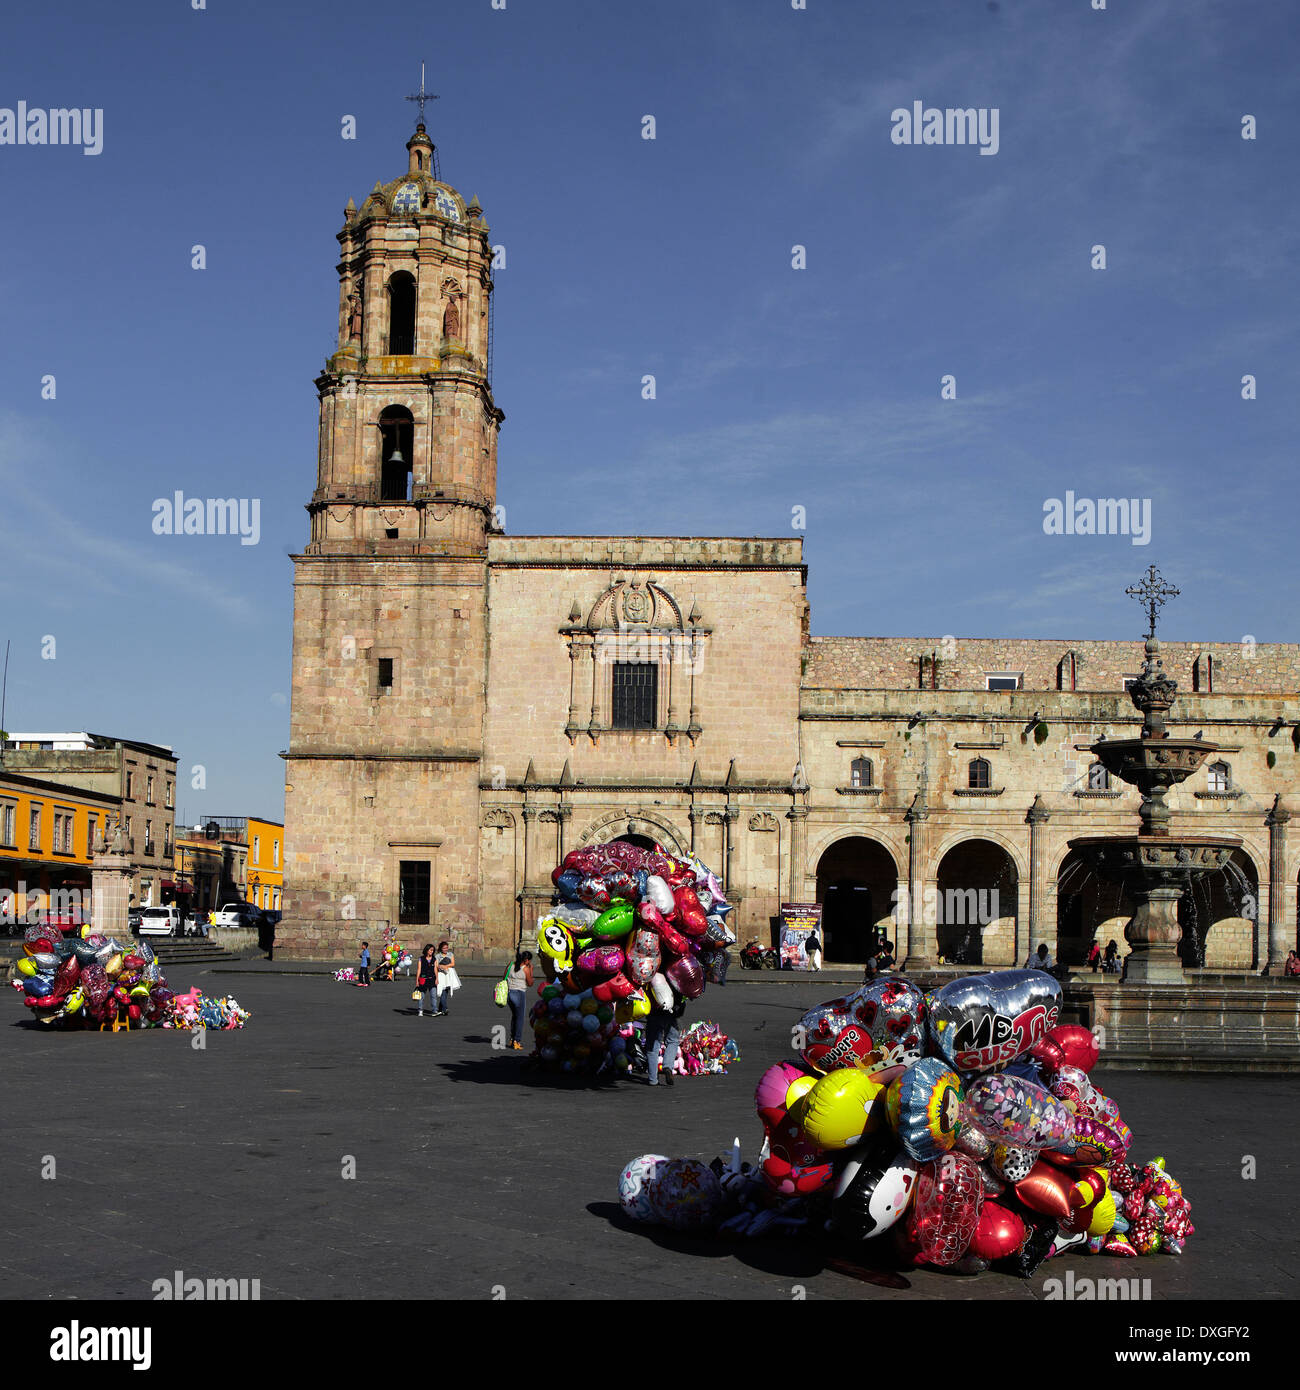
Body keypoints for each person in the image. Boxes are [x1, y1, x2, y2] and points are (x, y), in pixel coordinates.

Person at [644, 990, 687, 1087]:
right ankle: (668, 1066)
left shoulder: (652, 976)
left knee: (652, 1046)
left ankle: (653, 1079)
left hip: (654, 1011)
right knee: (673, 1041)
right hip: (671, 1012)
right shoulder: (674, 976)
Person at [505, 950, 534, 1050]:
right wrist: (531, 970)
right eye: (529, 961)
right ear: (526, 960)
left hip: (509, 993)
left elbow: (504, 977)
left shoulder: (510, 965)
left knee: (514, 1016)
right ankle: (517, 1041)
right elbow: (530, 983)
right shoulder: (525, 969)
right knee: (520, 1018)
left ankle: (512, 1039)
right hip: (519, 993)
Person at [434, 939, 457, 1016]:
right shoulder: (437, 956)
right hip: (441, 974)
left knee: (445, 992)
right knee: (442, 991)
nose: (445, 949)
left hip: (449, 974)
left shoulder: (450, 954)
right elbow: (437, 965)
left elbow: (453, 964)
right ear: (441, 948)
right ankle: (445, 1008)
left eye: (446, 948)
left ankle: (440, 1009)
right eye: (444, 948)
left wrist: (445, 966)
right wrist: (441, 967)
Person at [415, 944, 437, 1016]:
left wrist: (437, 978)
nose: (432, 951)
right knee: (422, 996)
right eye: (430, 950)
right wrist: (417, 980)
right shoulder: (421, 959)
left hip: (432, 979)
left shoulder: (434, 959)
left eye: (433, 950)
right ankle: (420, 1010)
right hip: (423, 979)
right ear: (427, 950)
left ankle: (434, 1010)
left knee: (433, 995)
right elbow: (419, 969)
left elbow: (435, 969)